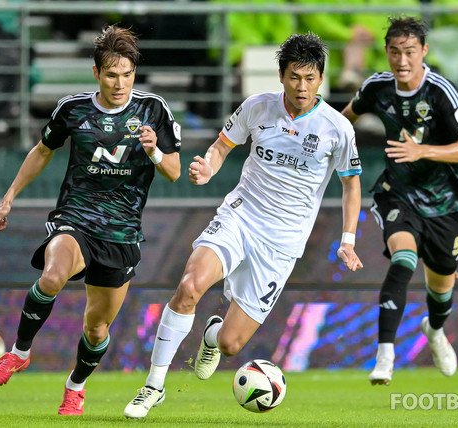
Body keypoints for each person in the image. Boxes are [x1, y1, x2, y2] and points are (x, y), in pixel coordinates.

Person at [123, 32, 363, 419]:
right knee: (189, 287)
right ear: (282, 76)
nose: (302, 87)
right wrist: (207, 168)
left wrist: (347, 239)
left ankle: (212, 336)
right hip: (240, 217)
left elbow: (351, 186)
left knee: (232, 344)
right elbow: (221, 146)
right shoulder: (257, 107)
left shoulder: (337, 129)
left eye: (310, 78)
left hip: (283, 243)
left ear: (321, 78)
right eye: (294, 77)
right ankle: (152, 388)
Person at [0, 25, 182, 415]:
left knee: (96, 328)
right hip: (77, 215)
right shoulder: (73, 109)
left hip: (123, 231)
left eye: (127, 74)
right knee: (53, 275)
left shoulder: (153, 109)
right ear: (96, 73)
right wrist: (9, 196)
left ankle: (75, 385)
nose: (120, 83)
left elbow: (174, 171)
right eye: (111, 74)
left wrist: (155, 151)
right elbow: (43, 151)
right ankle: (19, 352)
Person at [341, 16, 458, 385]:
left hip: (443, 204)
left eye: (410, 52)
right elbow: (344, 121)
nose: (402, 61)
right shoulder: (377, 87)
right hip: (396, 193)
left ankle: (434, 331)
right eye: (394, 52)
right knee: (402, 258)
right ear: (386, 52)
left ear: (424, 52)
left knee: (441, 288)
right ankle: (384, 357)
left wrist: (423, 151)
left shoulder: (440, 92)